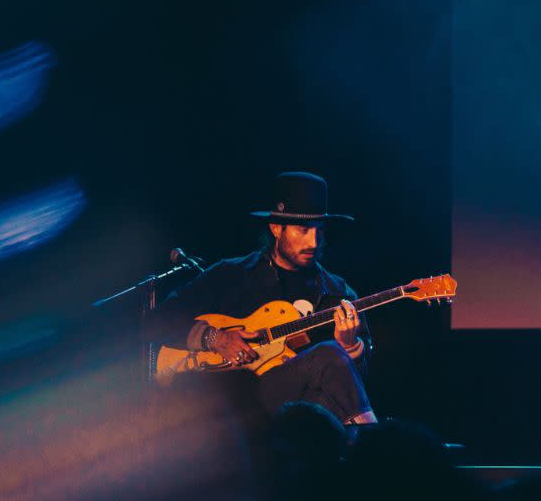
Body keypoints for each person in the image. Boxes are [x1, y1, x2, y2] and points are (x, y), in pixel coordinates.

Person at [146, 171, 376, 425]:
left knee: (324, 391)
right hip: (232, 401)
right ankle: (373, 443)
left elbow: (352, 387)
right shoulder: (233, 274)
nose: (314, 242)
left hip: (299, 411)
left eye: (320, 231)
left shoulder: (339, 295)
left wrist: (350, 347)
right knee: (326, 355)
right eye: (303, 230)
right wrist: (215, 338)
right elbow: (158, 320)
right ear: (276, 228)